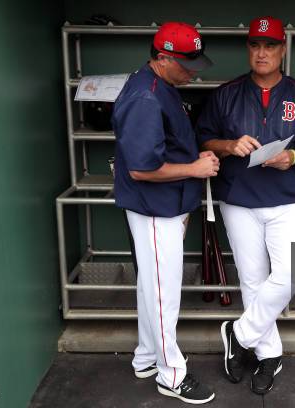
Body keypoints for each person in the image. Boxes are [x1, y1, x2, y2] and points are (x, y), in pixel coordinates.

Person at [196, 16, 295, 395]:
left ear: (282, 49)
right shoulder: (226, 94)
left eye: (270, 45)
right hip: (238, 198)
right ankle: (269, 355)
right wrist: (229, 145)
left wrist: (293, 157)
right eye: (255, 45)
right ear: (248, 49)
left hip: (286, 197)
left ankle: (237, 333)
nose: (262, 52)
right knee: (252, 281)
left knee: (293, 274)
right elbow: (203, 138)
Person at [112, 21, 217, 404]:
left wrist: (194, 158)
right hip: (154, 209)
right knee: (162, 294)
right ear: (162, 57)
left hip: (164, 206)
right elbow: (142, 168)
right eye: (187, 64)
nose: (193, 71)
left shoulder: (163, 86)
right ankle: (171, 375)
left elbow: (166, 148)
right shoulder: (145, 96)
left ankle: (145, 358)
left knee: (151, 289)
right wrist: (194, 169)